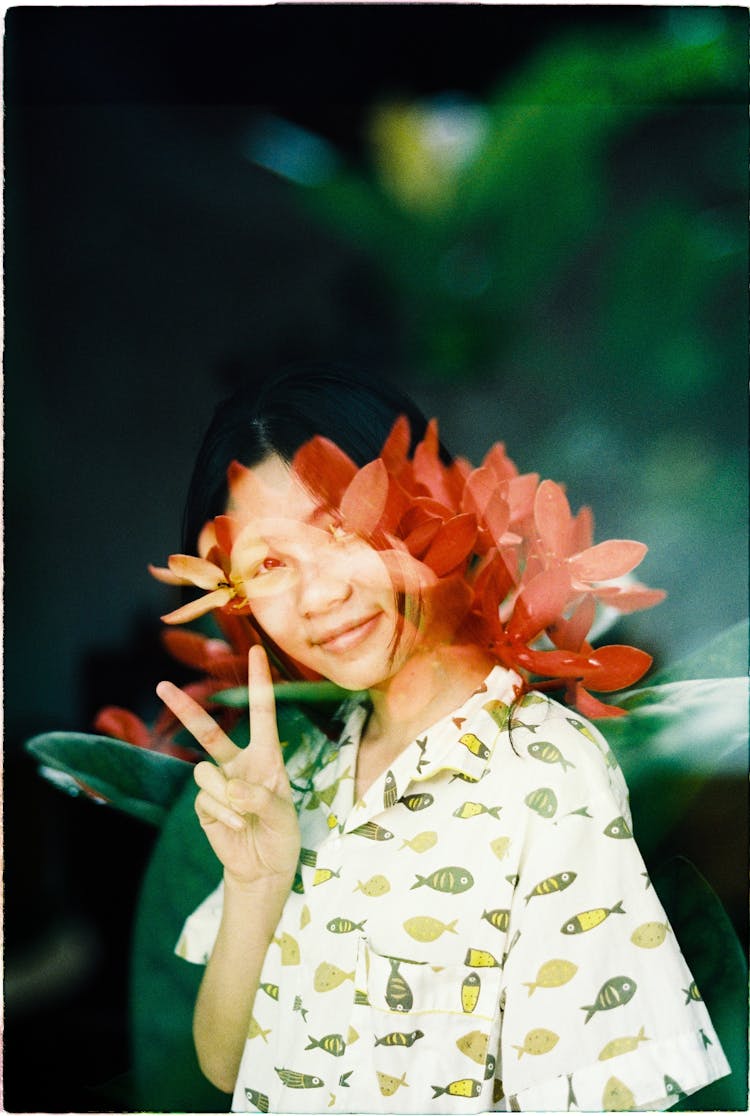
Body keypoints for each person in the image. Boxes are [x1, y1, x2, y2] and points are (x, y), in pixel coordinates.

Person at [155, 365, 730, 1112]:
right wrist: (256, 884)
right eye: (269, 564)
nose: (320, 595)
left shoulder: (545, 775)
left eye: (343, 530)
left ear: (424, 510)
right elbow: (225, 1067)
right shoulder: (293, 775)